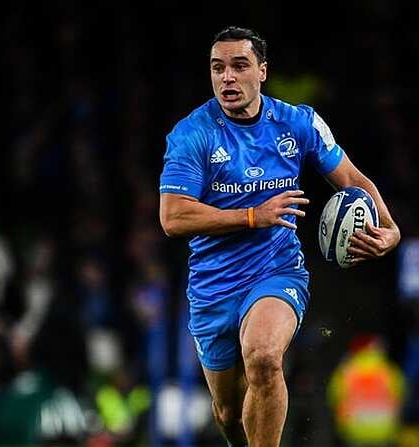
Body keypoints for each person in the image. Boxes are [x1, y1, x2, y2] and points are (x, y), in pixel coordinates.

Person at [158, 26, 401, 447]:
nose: (227, 78)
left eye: (239, 66)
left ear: (262, 71)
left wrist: (391, 230)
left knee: (265, 357)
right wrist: (253, 215)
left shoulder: (298, 122)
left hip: (277, 271)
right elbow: (173, 218)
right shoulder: (192, 134)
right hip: (213, 285)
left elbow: (352, 180)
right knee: (229, 413)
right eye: (218, 68)